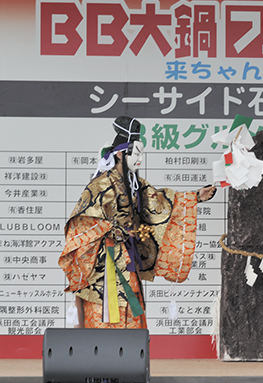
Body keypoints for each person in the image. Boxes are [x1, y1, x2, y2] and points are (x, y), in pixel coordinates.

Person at [59, 116, 216, 328]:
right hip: (105, 261)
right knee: (104, 310)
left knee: (132, 304)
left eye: (142, 153)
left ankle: (131, 346)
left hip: (128, 256)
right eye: (136, 153)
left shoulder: (135, 183)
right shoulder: (100, 185)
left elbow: (159, 202)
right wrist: (114, 230)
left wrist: (195, 196)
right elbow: (83, 222)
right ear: (120, 154)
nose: (140, 158)